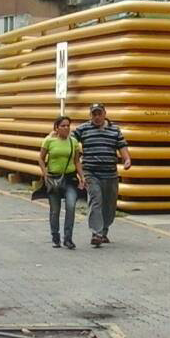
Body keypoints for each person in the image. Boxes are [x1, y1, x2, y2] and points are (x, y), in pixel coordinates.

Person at [73, 103, 131, 247]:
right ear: (90, 115)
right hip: (91, 172)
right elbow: (70, 140)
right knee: (96, 200)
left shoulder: (115, 130)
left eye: (99, 114)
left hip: (110, 174)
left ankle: (104, 231)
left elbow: (122, 146)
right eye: (94, 114)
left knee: (109, 205)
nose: (97, 117)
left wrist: (127, 159)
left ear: (105, 113)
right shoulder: (83, 129)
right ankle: (96, 233)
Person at [39, 116, 84, 250]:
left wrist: (82, 177)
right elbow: (41, 158)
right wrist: (44, 172)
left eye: (68, 125)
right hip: (53, 178)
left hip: (70, 178)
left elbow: (77, 161)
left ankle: (68, 238)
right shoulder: (49, 141)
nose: (66, 128)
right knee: (55, 210)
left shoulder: (74, 142)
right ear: (57, 128)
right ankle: (55, 236)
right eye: (63, 126)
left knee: (71, 206)